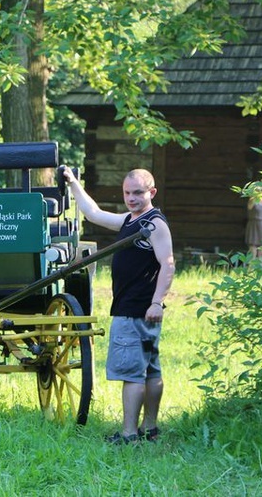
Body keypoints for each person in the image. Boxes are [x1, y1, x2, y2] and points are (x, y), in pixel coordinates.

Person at [62, 167, 175, 444]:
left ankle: (129, 435)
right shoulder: (131, 219)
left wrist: (157, 302)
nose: (132, 198)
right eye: (127, 192)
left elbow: (168, 265)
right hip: (134, 308)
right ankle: (149, 430)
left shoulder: (154, 224)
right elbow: (95, 214)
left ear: (152, 192)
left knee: (133, 374)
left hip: (137, 308)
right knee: (149, 370)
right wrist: (74, 183)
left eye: (138, 192)